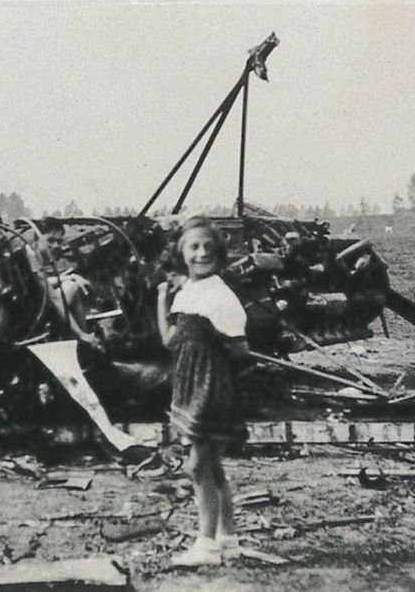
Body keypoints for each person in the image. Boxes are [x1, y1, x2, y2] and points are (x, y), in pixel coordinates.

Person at [156, 216, 251, 567]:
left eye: (209, 248)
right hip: (191, 385)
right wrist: (161, 299)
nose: (201, 253)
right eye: (193, 247)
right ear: (181, 253)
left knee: (197, 466)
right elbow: (169, 341)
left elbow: (240, 349)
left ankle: (206, 546)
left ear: (220, 254)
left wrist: (213, 358)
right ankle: (229, 539)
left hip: (209, 388)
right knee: (213, 466)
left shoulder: (220, 295)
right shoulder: (189, 292)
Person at [26, 218, 100, 347]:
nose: (55, 245)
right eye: (50, 240)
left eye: (59, 242)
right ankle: (82, 337)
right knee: (72, 287)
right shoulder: (31, 255)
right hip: (36, 311)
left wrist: (70, 276)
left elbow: (42, 281)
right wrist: (79, 333)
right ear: (37, 237)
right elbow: (53, 297)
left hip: (36, 303)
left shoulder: (32, 252)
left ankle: (79, 338)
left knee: (71, 283)